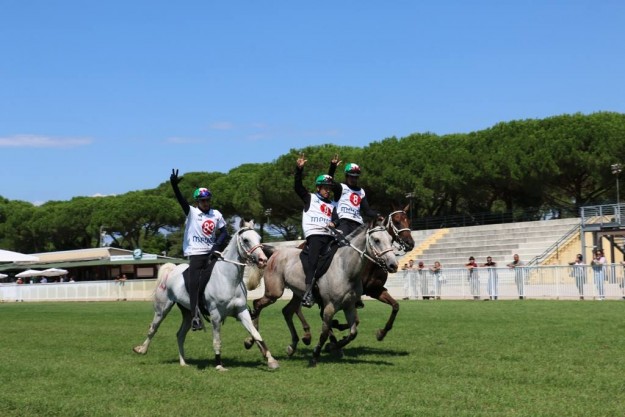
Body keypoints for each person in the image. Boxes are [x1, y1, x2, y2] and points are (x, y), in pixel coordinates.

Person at [170, 168, 229, 330]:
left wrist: (216, 246)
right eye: (203, 201)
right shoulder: (192, 212)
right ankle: (195, 317)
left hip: (212, 253)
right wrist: (174, 186)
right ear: (197, 202)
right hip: (196, 254)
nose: (206, 203)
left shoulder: (216, 214)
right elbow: (181, 200)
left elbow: (224, 232)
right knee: (195, 284)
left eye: (208, 200)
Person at [294, 154, 338, 308]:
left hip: (329, 236)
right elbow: (297, 187)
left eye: (329, 189)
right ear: (318, 188)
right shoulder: (310, 198)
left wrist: (334, 222)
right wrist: (299, 169)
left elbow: (336, 219)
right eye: (325, 188)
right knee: (313, 260)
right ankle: (308, 292)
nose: (328, 191)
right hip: (315, 235)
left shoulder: (331, 204)